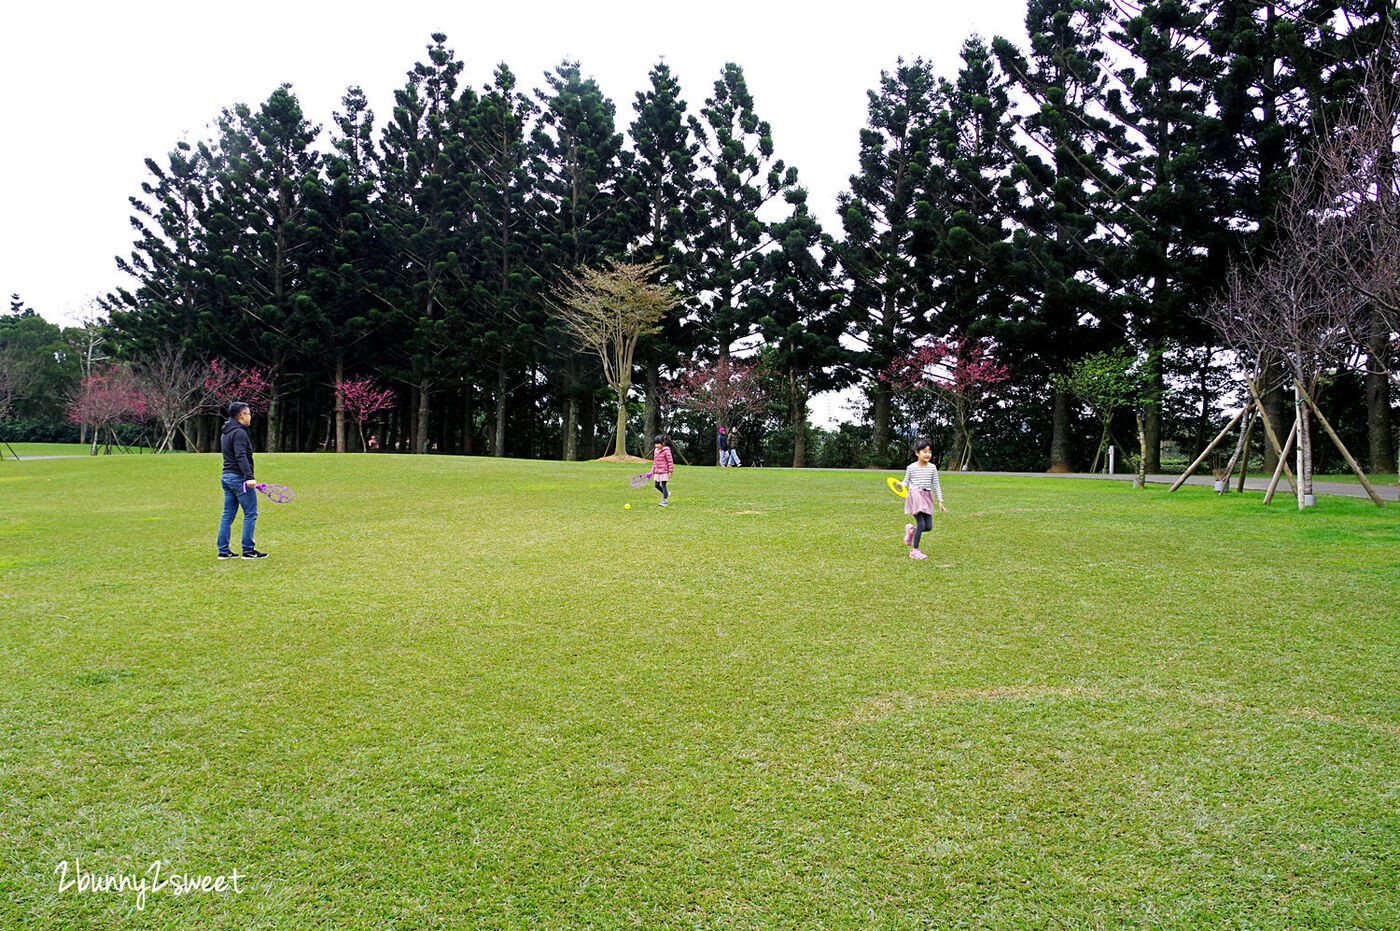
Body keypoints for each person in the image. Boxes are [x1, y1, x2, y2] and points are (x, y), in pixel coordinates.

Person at [217, 401, 268, 559]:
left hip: (226, 477)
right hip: (239, 479)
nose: (250, 417)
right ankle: (248, 550)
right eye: (249, 413)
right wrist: (249, 477)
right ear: (242, 415)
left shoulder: (226, 431)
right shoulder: (239, 433)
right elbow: (240, 456)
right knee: (251, 513)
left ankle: (223, 550)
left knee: (228, 514)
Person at [895, 437, 947, 560]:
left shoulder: (932, 468)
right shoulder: (911, 467)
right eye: (924, 451)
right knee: (921, 523)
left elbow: (936, 484)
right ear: (917, 453)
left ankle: (911, 530)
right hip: (915, 495)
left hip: (926, 496)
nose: (927, 454)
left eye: (929, 451)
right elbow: (906, 481)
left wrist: (940, 501)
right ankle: (914, 551)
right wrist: (901, 485)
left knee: (928, 526)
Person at [650, 434, 674, 506]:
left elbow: (670, 461)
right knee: (656, 485)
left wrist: (670, 471)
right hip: (657, 471)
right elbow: (655, 461)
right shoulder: (656, 451)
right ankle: (666, 493)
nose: (656, 445)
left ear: (663, 443)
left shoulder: (666, 451)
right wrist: (653, 470)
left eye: (658, 444)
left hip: (664, 471)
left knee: (663, 485)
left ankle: (665, 501)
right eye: (655, 444)